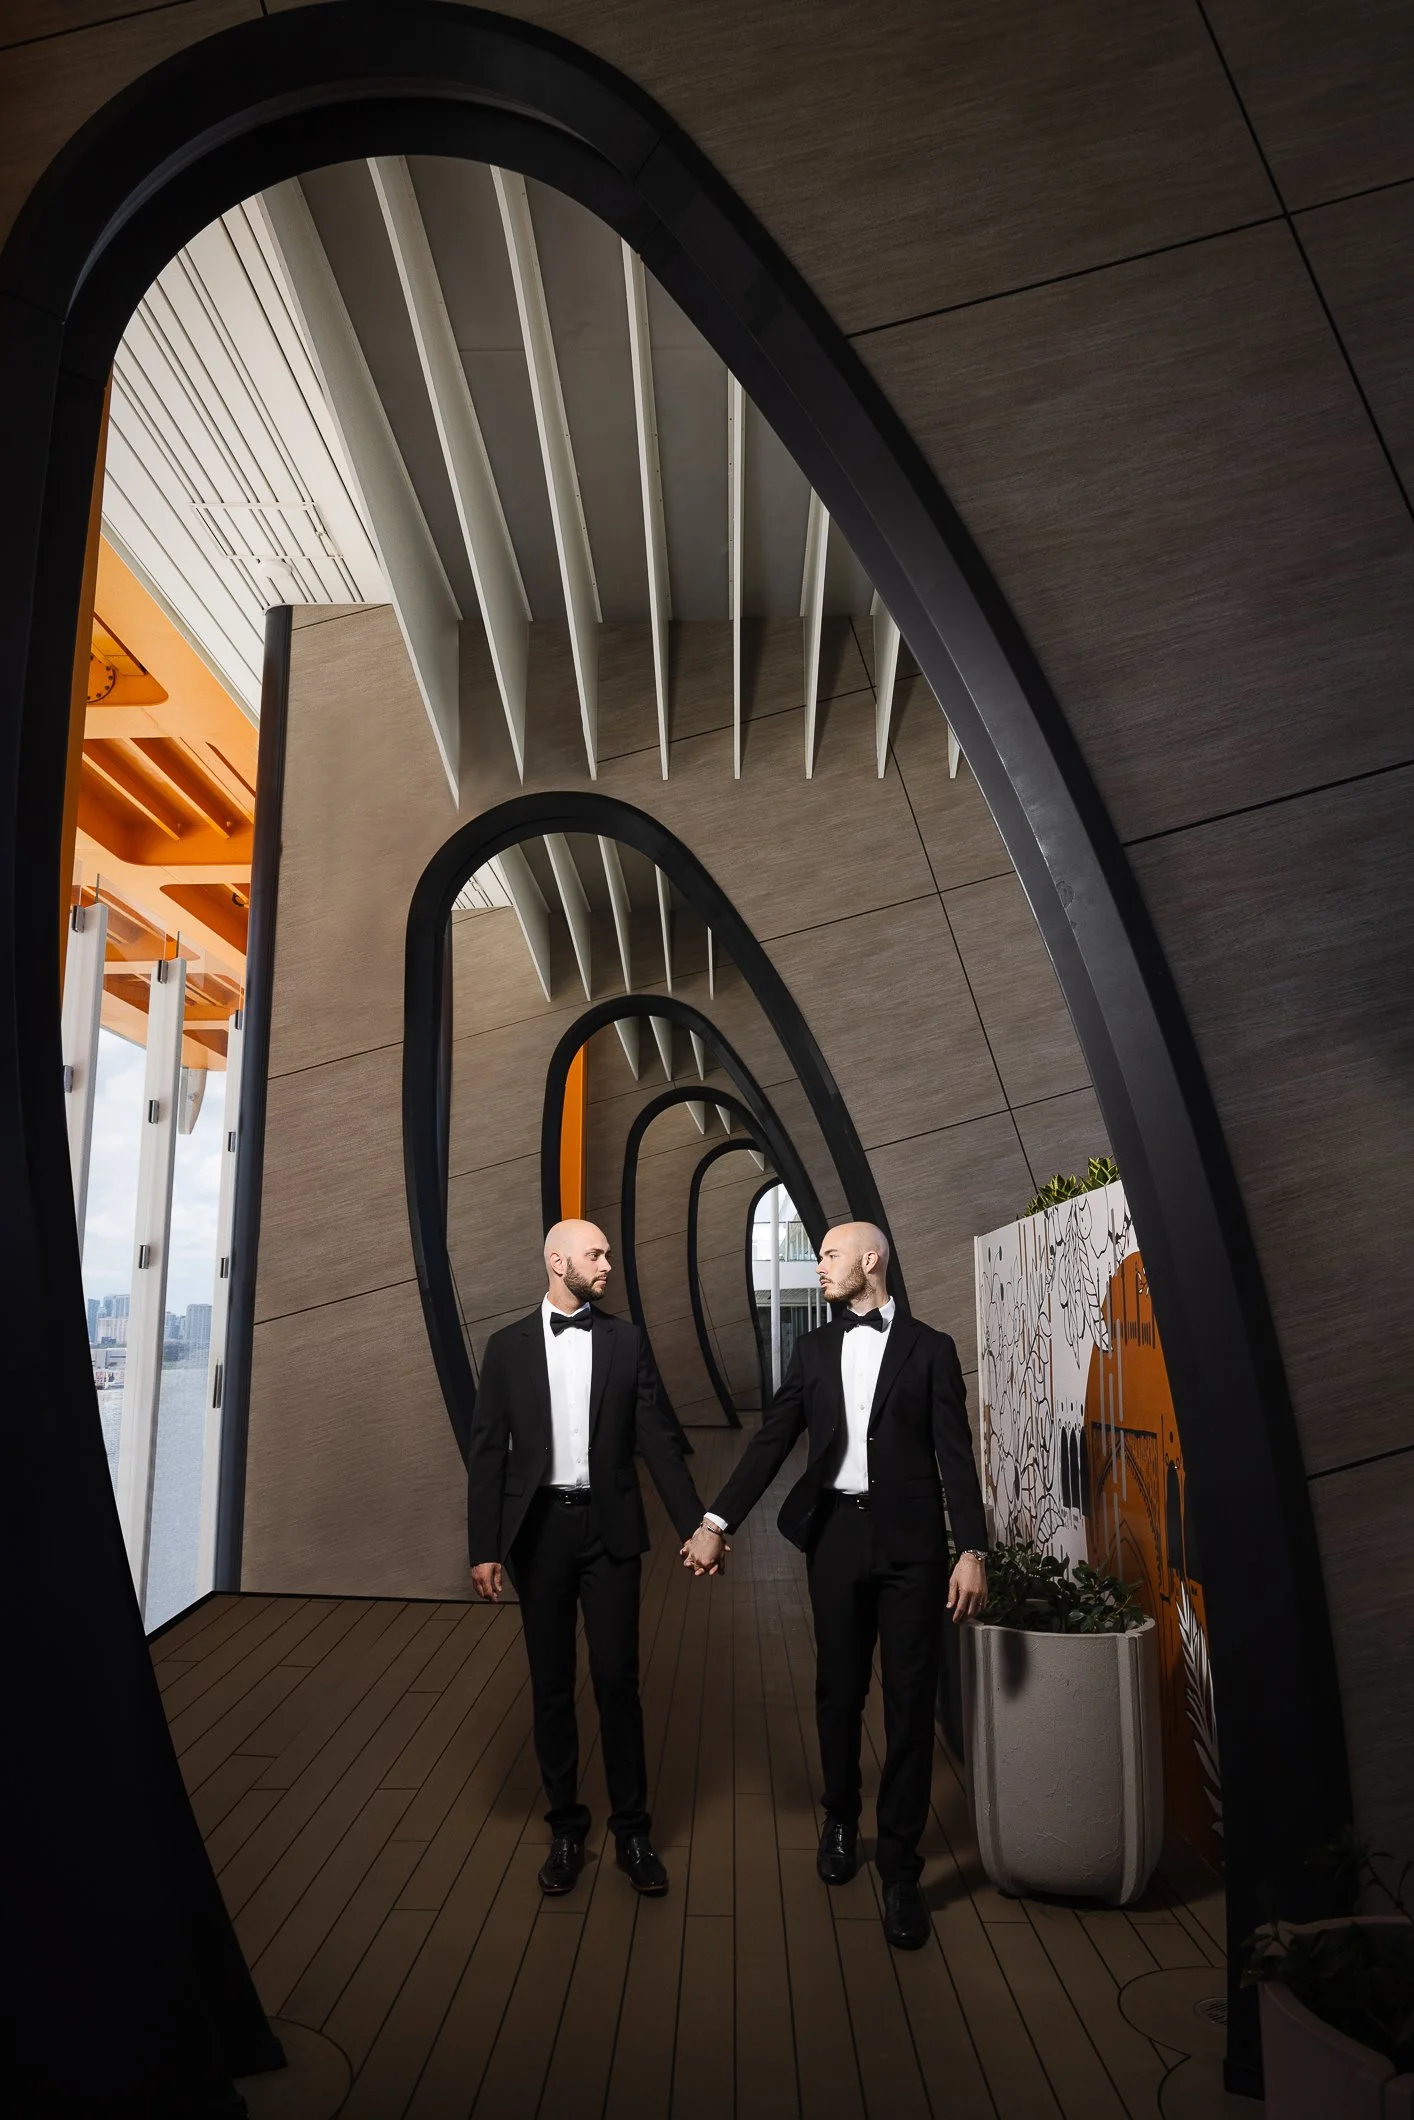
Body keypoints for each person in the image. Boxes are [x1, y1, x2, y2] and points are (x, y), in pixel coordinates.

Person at [681, 1221, 988, 1949]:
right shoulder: (813, 1350)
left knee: (912, 1704)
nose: (818, 1267)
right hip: (836, 1541)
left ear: (870, 1260)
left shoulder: (932, 1349)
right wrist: (716, 1521)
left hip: (913, 1547)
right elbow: (771, 1441)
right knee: (840, 1691)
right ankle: (842, 1817)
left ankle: (903, 1871)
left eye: (828, 1255)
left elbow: (957, 1456)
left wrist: (971, 1547)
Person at [467, 1219, 706, 1898]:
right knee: (550, 1685)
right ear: (556, 1259)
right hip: (538, 1531)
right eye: (594, 1254)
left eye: (605, 1253)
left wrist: (696, 1525)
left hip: (610, 1530)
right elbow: (488, 1453)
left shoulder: (626, 1340)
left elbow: (659, 1439)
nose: (606, 1264)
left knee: (616, 1678)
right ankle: (567, 1829)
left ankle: (633, 1831)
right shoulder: (506, 1348)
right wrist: (483, 1547)